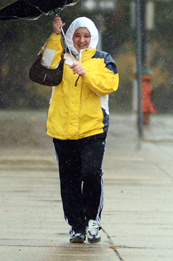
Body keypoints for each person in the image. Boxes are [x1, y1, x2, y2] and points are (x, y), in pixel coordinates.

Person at [41, 16, 119, 243]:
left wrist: (86, 73)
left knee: (92, 173)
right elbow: (45, 65)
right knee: (69, 179)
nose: (82, 40)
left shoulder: (103, 59)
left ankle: (92, 222)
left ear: (93, 37)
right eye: (77, 35)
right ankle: (76, 226)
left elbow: (110, 84)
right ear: (70, 36)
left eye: (86, 36)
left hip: (93, 127)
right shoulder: (61, 56)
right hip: (62, 127)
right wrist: (56, 35)